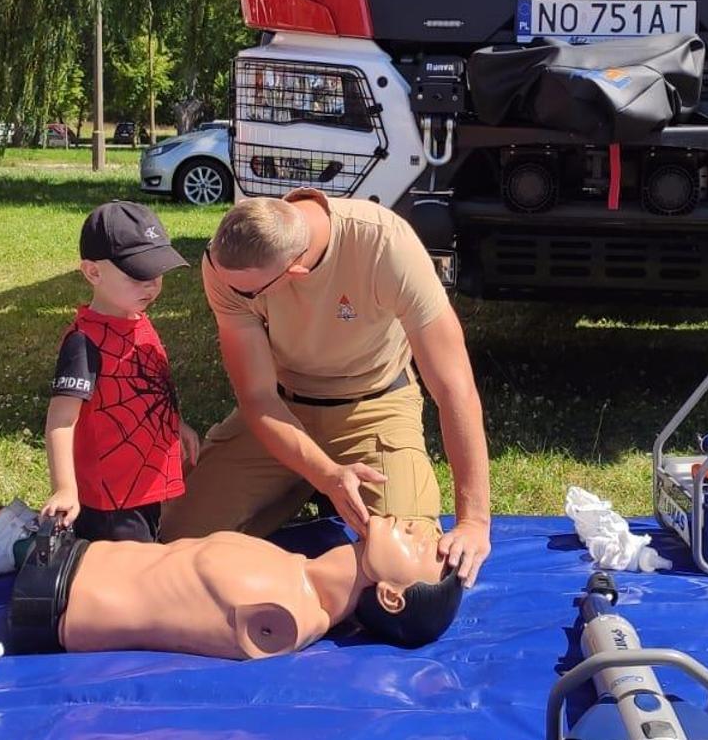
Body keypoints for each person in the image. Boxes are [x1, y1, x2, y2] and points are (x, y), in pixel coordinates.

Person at [157, 187, 494, 586]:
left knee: (412, 572)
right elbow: (257, 396)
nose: (233, 293)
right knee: (175, 543)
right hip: (283, 408)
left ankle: (305, 488)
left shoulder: (386, 244)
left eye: (247, 292)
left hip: (376, 405)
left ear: (295, 273)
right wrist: (325, 473)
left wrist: (473, 521)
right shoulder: (226, 265)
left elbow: (453, 386)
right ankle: (306, 485)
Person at [5, 513, 462, 658]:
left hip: (54, 599)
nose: (427, 531)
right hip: (69, 559)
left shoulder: (284, 619)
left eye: (430, 550)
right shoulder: (295, 569)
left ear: (390, 595)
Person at [41, 200, 201, 542]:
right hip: (110, 501)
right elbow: (60, 420)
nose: (151, 285)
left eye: (156, 273)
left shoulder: (138, 320)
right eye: (137, 275)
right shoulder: (84, 342)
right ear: (93, 272)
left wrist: (176, 425)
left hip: (144, 487)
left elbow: (151, 388)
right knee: (129, 576)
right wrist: (65, 488)